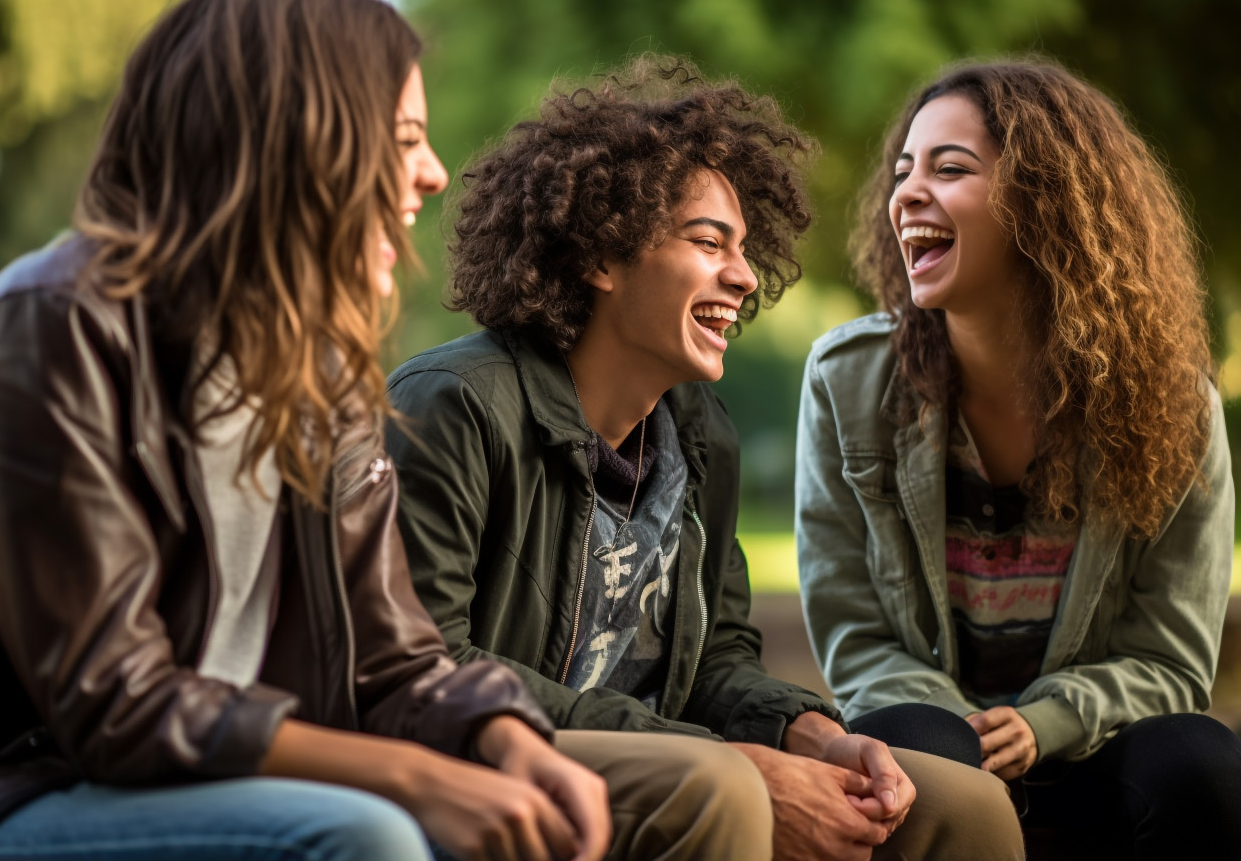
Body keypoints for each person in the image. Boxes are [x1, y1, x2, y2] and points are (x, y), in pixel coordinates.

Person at [0, 0, 738, 861]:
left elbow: (395, 657)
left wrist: (504, 741)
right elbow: (118, 705)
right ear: (296, 137)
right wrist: (414, 776)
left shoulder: (315, 366)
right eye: (404, 136)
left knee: (680, 788)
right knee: (370, 833)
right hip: (42, 787)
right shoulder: (54, 325)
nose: (433, 173)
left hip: (248, 771)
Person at [386, 55, 1025, 861]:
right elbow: (430, 665)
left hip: (678, 759)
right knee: (722, 790)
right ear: (602, 256)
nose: (745, 275)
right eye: (707, 241)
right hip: (505, 764)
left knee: (962, 806)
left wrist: (810, 733)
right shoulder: (453, 405)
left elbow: (717, 657)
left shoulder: (698, 436)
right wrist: (727, 761)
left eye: (745, 248)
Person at [795, 58, 1241, 858]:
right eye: (903, 172)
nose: (906, 193)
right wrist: (966, 735)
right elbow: (854, 636)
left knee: (1202, 761)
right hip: (937, 741)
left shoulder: (1173, 405)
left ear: (1047, 201)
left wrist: (1043, 726)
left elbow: (1170, 662)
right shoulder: (846, 379)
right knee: (919, 744)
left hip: (1101, 750)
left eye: (950, 167)